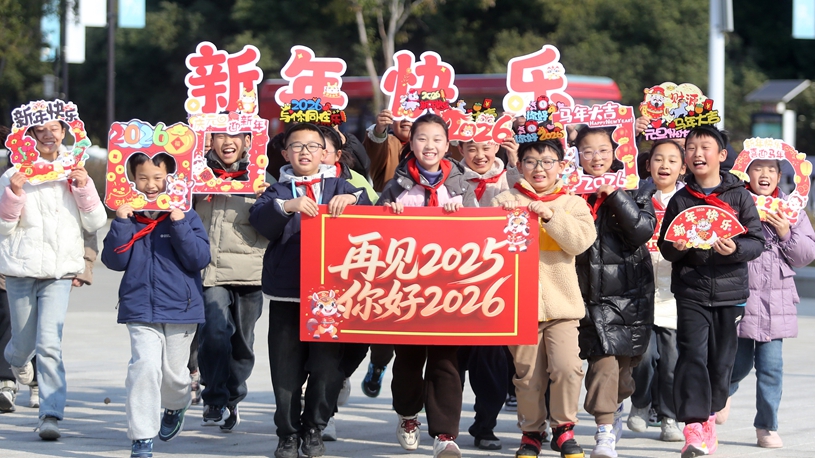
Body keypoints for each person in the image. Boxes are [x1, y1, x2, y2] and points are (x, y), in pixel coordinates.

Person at [249, 122, 370, 458]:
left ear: (325, 153)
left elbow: (371, 209)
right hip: (288, 292)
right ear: (285, 153)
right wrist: (288, 206)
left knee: (327, 367)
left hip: (330, 297)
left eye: (313, 146)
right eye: (297, 146)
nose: (305, 152)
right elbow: (259, 221)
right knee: (285, 369)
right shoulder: (277, 190)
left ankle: (315, 427)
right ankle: (288, 434)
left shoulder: (340, 185)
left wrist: (352, 198)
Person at [657, 125, 764, 458]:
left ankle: (710, 415)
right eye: (691, 148)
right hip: (691, 290)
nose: (697, 153)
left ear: (721, 155)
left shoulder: (739, 196)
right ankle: (693, 426)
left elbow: (757, 241)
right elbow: (666, 247)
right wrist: (676, 247)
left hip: (731, 293)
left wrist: (736, 249)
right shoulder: (681, 199)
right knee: (692, 355)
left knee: (721, 363)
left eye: (705, 147)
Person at [378, 113, 477, 458]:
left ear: (448, 146)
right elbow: (373, 233)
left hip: (450, 287)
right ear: (412, 142)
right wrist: (387, 214)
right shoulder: (397, 184)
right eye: (422, 138)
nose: (429, 146)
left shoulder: (462, 185)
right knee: (407, 358)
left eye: (437, 139)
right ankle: (408, 415)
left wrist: (462, 215)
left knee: (446, 360)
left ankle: (445, 434)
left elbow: (482, 233)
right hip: (405, 287)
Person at [0, 119, 106, 439]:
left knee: (49, 344)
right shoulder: (12, 174)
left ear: (64, 132)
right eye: (41, 129)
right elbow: (3, 228)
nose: (48, 135)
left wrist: (83, 188)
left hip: (59, 271)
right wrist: (15, 193)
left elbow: (96, 221)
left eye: (55, 129)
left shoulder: (75, 170)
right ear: (30, 134)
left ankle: (50, 414)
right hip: (20, 269)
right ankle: (16, 361)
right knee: (22, 346)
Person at [492, 139, 596, 458]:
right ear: (519, 165)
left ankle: (564, 429)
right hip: (519, 307)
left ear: (561, 166)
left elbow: (580, 243)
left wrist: (551, 215)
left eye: (548, 162)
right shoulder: (504, 200)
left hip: (562, 306)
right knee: (527, 375)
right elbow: (487, 244)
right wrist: (501, 217)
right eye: (531, 162)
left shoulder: (573, 203)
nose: (539, 169)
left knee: (567, 367)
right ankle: (531, 433)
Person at [102, 153, 210, 458]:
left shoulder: (185, 214)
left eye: (158, 178)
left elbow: (199, 258)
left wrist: (178, 223)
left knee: (174, 375)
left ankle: (175, 405)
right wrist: (122, 223)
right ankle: (142, 437)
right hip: (139, 308)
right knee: (144, 367)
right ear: (132, 180)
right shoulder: (129, 216)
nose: (150, 185)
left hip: (181, 309)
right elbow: (114, 260)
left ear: (170, 179)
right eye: (143, 178)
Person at [716, 158, 815, 448]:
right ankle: (723, 393)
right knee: (738, 364)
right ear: (747, 172)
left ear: (779, 175)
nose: (765, 174)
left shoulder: (792, 208)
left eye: (771, 169)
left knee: (772, 368)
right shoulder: (734, 202)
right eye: (758, 168)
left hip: (777, 300)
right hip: (741, 296)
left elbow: (805, 255)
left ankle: (766, 426)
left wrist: (785, 232)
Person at [573, 127, 656, 458]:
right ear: (576, 155)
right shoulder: (568, 190)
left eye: (603, 150)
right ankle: (604, 431)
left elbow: (642, 231)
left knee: (622, 374)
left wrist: (615, 195)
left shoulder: (637, 188)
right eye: (588, 151)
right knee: (602, 364)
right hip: (585, 295)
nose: (596, 158)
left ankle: (617, 403)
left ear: (616, 153)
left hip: (628, 295)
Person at [195, 131, 269, 432]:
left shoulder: (262, 177)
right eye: (220, 135)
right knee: (214, 332)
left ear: (248, 141)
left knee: (243, 343)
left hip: (250, 273)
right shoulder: (195, 175)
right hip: (210, 271)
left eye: (236, 135)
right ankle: (214, 397)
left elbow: (276, 223)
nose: (228, 142)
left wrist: (269, 201)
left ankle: (233, 398)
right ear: (210, 140)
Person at [455, 137, 519, 450]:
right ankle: (444, 430)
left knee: (492, 361)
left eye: (486, 147)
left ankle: (485, 426)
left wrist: (515, 170)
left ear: (498, 147)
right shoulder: (449, 178)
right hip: (453, 281)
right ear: (460, 150)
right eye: (471, 148)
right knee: (451, 363)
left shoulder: (512, 176)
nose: (480, 155)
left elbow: (531, 201)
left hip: (497, 283)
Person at [627, 140, 686, 442]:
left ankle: (669, 417)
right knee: (643, 356)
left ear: (683, 167)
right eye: (658, 159)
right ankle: (640, 403)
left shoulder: (689, 201)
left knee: (672, 361)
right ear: (648, 164)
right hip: (640, 291)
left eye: (672, 160)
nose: (665, 165)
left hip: (675, 295)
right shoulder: (635, 196)